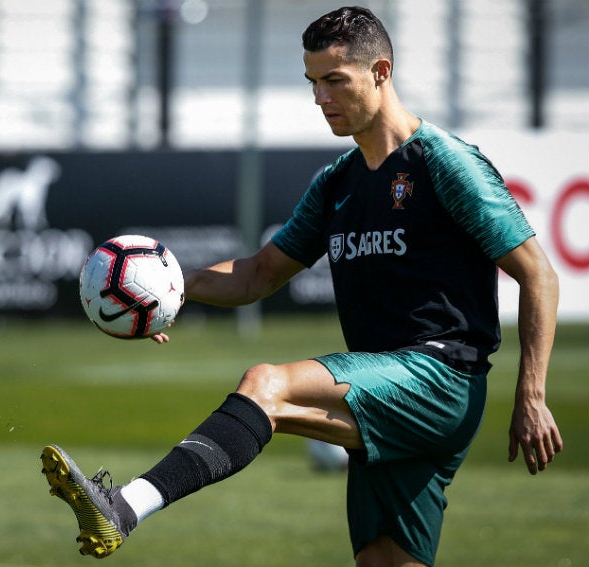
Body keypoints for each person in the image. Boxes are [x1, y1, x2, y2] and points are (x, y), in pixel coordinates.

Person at [40, 6, 563, 566]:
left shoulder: (445, 164)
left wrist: (531, 395)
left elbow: (538, 274)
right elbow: (258, 274)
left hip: (440, 379)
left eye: (335, 79)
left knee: (268, 384)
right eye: (313, 82)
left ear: (381, 72)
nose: (321, 97)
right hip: (380, 385)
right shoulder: (336, 183)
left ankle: (123, 507)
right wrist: (172, 291)